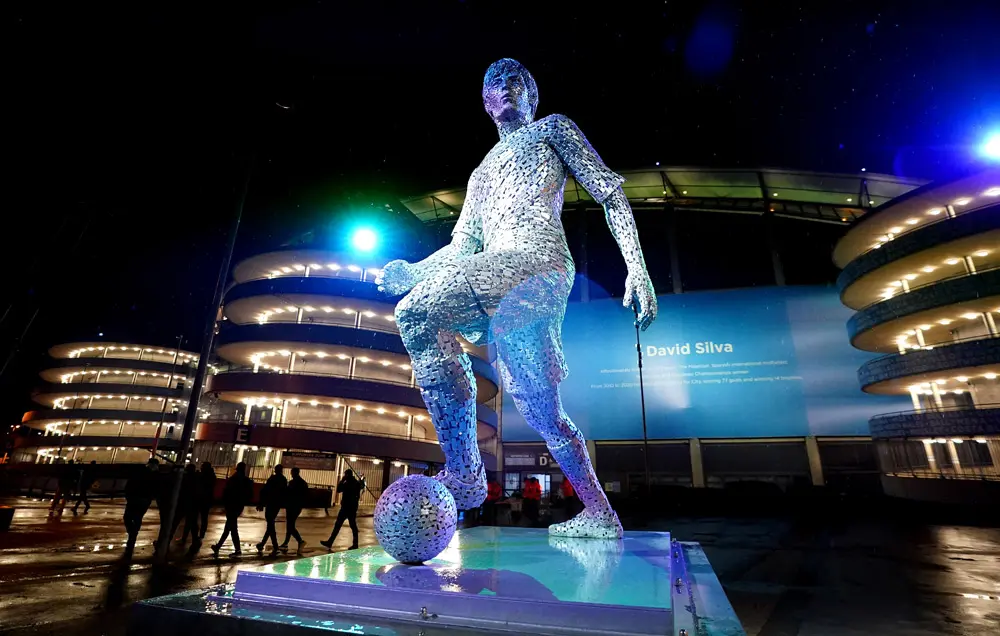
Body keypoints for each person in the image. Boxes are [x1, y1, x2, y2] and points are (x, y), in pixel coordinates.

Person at [377, 58, 657, 539]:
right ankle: (600, 514)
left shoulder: (552, 130)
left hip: (538, 263)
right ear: (485, 104)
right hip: (506, 283)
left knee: (416, 313)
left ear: (531, 95)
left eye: (515, 83)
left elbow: (609, 192)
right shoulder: (481, 174)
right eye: (494, 86)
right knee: (541, 409)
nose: (505, 90)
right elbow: (462, 247)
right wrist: (413, 270)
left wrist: (638, 266)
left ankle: (465, 474)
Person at [211, 462, 253, 557]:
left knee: (232, 528)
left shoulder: (234, 479)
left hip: (232, 505)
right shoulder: (246, 480)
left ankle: (237, 550)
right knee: (229, 527)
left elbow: (227, 491)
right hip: (238, 505)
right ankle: (218, 546)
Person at [123, 459, 160, 556]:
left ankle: (132, 534)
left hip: (136, 498)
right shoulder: (155, 476)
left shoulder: (140, 473)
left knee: (128, 517)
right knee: (136, 517)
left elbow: (130, 484)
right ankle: (133, 534)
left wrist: (128, 495)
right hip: (142, 499)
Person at [320, 469, 364, 550]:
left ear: (347, 475)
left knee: (339, 525)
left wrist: (342, 480)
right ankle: (355, 543)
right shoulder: (356, 483)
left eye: (345, 475)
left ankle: (331, 542)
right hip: (352, 508)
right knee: (352, 526)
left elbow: (339, 489)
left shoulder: (348, 483)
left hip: (346, 508)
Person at [255, 464, 287, 556]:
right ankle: (265, 544)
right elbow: (284, 492)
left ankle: (273, 545)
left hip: (270, 503)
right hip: (277, 504)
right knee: (270, 523)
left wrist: (261, 503)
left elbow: (265, 490)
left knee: (270, 523)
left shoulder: (272, 479)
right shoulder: (283, 480)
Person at [280, 467, 308, 555]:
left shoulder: (293, 483)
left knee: (290, 525)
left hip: (292, 505)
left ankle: (300, 541)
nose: (291, 474)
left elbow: (288, 493)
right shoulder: (303, 483)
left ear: (294, 473)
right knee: (290, 525)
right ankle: (285, 543)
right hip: (297, 506)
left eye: (292, 472)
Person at [172, 464, 201, 545]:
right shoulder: (197, 478)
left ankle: (168, 539)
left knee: (175, 522)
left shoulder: (184, 478)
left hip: (184, 503)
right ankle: (195, 540)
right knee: (192, 523)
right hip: (193, 504)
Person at [197, 462, 215, 540]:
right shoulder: (212, 476)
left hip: (201, 498)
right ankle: (201, 534)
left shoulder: (204, 476)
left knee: (196, 517)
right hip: (207, 499)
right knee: (204, 518)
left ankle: (199, 534)